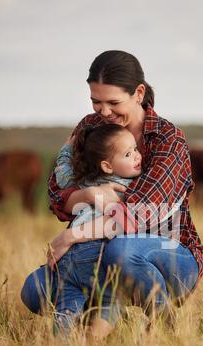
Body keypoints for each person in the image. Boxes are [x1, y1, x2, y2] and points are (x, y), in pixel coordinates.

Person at [21, 50, 203, 341]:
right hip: (95, 252)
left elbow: (141, 216)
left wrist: (71, 236)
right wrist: (91, 193)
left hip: (168, 254)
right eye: (96, 101)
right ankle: (94, 327)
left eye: (113, 102)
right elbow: (57, 193)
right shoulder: (89, 128)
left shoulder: (168, 139)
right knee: (35, 290)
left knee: (121, 250)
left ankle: (166, 329)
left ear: (139, 93)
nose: (104, 111)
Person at [48, 123, 142, 334]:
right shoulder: (127, 187)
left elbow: (62, 175)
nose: (137, 156)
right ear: (107, 166)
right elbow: (128, 223)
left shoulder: (85, 182)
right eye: (128, 154)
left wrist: (66, 149)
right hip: (96, 254)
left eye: (136, 149)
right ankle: (94, 341)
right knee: (113, 296)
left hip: (67, 257)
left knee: (66, 308)